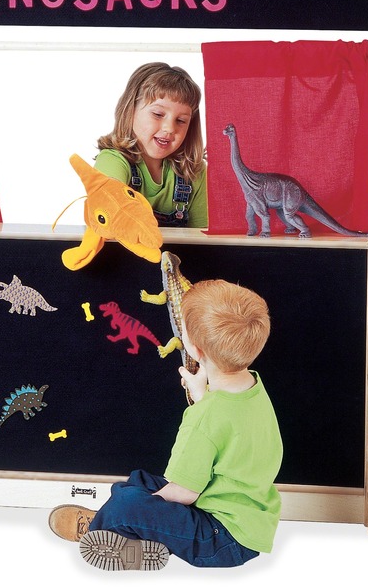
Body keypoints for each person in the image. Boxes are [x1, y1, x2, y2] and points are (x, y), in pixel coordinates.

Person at [48, 279, 283, 572]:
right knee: (138, 482)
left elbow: (185, 492)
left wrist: (148, 507)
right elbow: (228, 429)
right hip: (251, 518)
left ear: (195, 350)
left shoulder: (203, 419)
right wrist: (202, 395)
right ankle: (127, 526)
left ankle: (103, 529)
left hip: (222, 538)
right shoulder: (253, 387)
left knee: (128, 503)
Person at [94, 62, 208, 228]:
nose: (170, 128)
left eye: (181, 120)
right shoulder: (112, 161)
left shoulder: (193, 172)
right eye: (158, 114)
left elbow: (202, 239)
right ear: (130, 110)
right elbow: (108, 219)